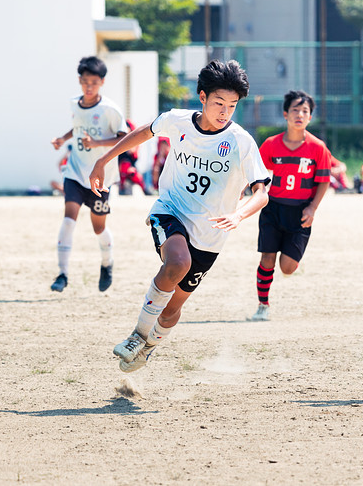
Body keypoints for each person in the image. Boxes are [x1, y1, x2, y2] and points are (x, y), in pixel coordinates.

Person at [88, 59, 270, 373]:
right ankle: (137, 336)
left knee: (172, 310)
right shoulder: (177, 121)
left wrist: (239, 215)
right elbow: (144, 133)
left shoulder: (241, 142)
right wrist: (104, 159)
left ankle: (148, 349)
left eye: (231, 105)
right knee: (177, 263)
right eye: (218, 103)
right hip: (171, 210)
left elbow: (261, 193)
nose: (224, 111)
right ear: (202, 97)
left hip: (210, 236)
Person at [250, 90, 332, 322]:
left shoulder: (318, 148)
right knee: (267, 258)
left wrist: (312, 208)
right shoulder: (270, 144)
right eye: (295, 110)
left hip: (300, 212)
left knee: (287, 267)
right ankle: (262, 305)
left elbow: (323, 181)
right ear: (285, 114)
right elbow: (255, 172)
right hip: (273, 208)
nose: (300, 114)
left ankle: (292, 256)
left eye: (305, 111)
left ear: (310, 117)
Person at [49, 56, 128, 293]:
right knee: (68, 218)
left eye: (94, 82)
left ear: (102, 82)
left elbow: (125, 137)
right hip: (75, 171)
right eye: (85, 81)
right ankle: (62, 274)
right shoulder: (75, 104)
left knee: (98, 227)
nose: (89, 86)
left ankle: (107, 263)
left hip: (100, 179)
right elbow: (78, 127)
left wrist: (97, 143)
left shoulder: (110, 110)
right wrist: (63, 138)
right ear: (79, 81)